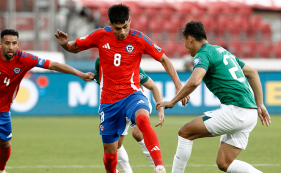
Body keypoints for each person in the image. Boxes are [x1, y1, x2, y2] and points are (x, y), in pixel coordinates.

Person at [55, 4, 189, 173]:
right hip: (109, 102)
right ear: (110, 25)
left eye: (125, 26)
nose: (123, 32)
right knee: (110, 155)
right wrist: (65, 44)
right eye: (118, 28)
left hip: (132, 95)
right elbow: (73, 47)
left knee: (142, 120)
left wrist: (178, 84)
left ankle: (159, 166)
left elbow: (164, 59)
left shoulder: (139, 39)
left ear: (130, 21)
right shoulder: (100, 36)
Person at [156, 21, 271, 173]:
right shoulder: (221, 51)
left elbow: (195, 81)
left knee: (185, 133)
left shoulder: (203, 54)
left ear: (190, 39)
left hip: (236, 111)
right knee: (225, 163)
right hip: (250, 113)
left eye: (184, 41)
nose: (184, 46)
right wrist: (260, 104)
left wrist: (173, 101)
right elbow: (253, 73)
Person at [0, 28, 94, 173]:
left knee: (5, 144)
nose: (10, 47)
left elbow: (54, 65)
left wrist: (80, 74)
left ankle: (1, 169)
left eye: (13, 43)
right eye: (7, 43)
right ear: (1, 44)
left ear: (18, 44)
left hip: (3, 110)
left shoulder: (24, 59)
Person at [94, 57, 162, 173]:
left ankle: (158, 167)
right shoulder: (101, 60)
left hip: (134, 102)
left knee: (138, 133)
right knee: (117, 145)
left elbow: (152, 86)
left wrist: (161, 109)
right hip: (116, 104)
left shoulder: (129, 59)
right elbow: (100, 79)